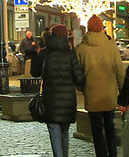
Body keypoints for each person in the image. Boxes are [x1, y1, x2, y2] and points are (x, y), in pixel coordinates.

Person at [77, 15, 126, 157]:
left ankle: (101, 154)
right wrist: (122, 90)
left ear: (88, 29)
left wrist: (81, 87)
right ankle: (113, 153)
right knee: (110, 126)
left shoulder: (81, 48)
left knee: (96, 130)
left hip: (91, 93)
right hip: (109, 93)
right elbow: (118, 69)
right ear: (102, 28)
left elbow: (77, 72)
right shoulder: (111, 45)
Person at [40, 24, 85, 157]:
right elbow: (79, 77)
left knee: (54, 129)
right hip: (67, 100)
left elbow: (35, 72)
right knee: (65, 131)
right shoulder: (70, 54)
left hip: (51, 99)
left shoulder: (45, 53)